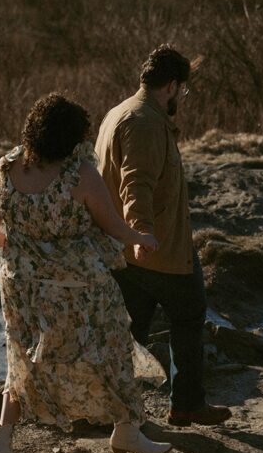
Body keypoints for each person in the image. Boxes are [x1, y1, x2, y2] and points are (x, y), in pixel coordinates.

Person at [0, 92, 173, 453]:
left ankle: (2, 442)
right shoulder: (78, 174)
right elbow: (111, 224)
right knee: (112, 348)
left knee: (22, 361)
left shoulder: (5, 169)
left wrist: (20, 247)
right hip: (80, 287)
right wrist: (141, 238)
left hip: (21, 287)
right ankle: (127, 430)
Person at [95, 43, 231, 428]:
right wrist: (142, 233)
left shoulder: (118, 112)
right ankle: (186, 404)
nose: (181, 98)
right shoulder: (146, 122)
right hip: (157, 249)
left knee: (126, 333)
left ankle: (105, 409)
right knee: (188, 315)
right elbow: (135, 183)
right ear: (171, 86)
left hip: (126, 247)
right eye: (182, 91)